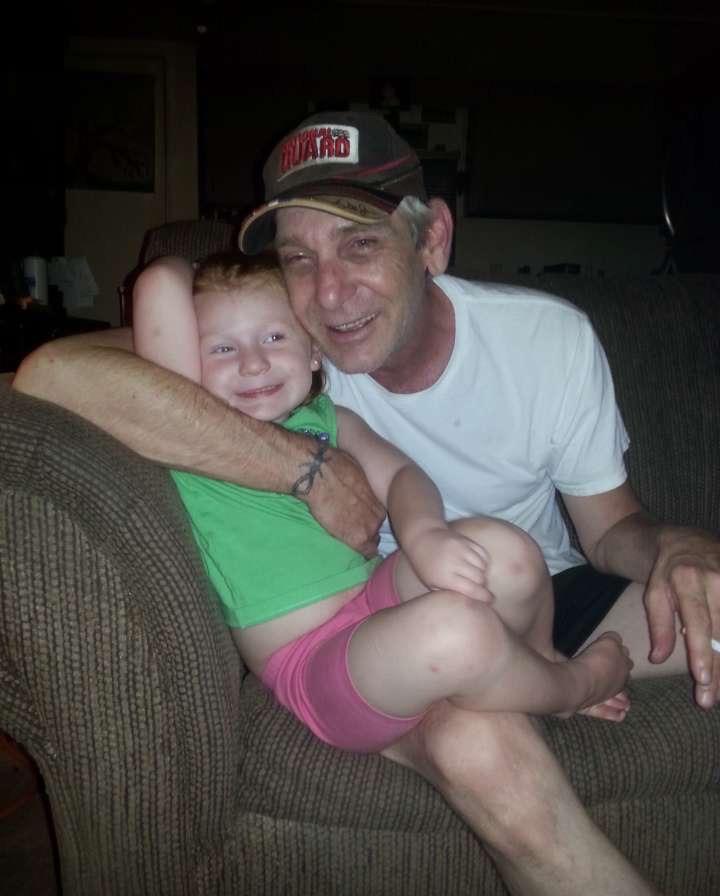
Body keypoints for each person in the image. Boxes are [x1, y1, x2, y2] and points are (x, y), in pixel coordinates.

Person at [13, 110, 720, 896]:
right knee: (482, 749)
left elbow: (613, 531)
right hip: (384, 632)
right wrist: (298, 467)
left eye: (359, 246)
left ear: (432, 242)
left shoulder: (546, 338)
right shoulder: (271, 354)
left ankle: (536, 675)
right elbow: (54, 372)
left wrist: (674, 546)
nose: (332, 293)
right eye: (300, 258)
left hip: (546, 593)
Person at [132, 250, 633, 750]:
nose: (253, 362)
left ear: (313, 352)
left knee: (508, 551)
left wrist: (425, 535)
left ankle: (543, 658)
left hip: (379, 602)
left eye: (274, 337)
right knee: (455, 632)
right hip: (312, 661)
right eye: (221, 349)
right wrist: (198, 264)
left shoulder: (331, 419)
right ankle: (569, 689)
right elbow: (158, 280)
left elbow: (401, 477)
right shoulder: (193, 432)